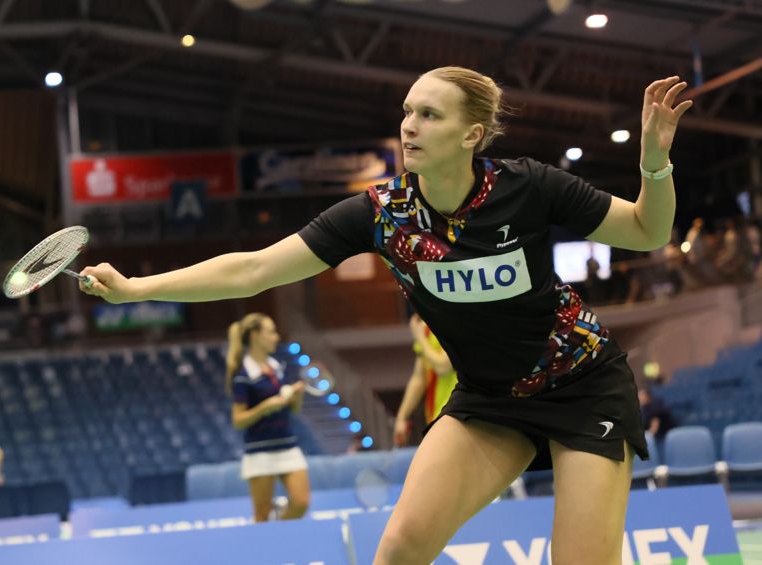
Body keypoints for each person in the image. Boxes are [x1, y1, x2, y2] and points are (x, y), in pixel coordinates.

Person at [79, 67, 692, 564]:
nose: (409, 125)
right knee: (398, 550)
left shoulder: (529, 186)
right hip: (489, 402)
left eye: (429, 114)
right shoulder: (383, 214)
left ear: (473, 134)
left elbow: (647, 230)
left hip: (584, 388)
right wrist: (136, 289)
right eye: (407, 111)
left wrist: (654, 163)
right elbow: (255, 268)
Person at [224, 313, 310, 522]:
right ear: (254, 335)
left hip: (287, 445)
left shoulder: (277, 368)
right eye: (271, 332)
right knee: (261, 516)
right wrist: (264, 407)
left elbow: (294, 410)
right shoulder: (243, 376)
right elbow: (238, 420)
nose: (276, 337)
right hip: (259, 451)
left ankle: (280, 526)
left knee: (301, 504)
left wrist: (296, 397)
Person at [393, 314, 457, 447]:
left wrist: (420, 337)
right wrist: (401, 417)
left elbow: (443, 366)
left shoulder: (457, 321)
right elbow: (419, 378)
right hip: (436, 417)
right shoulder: (427, 328)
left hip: (458, 414)